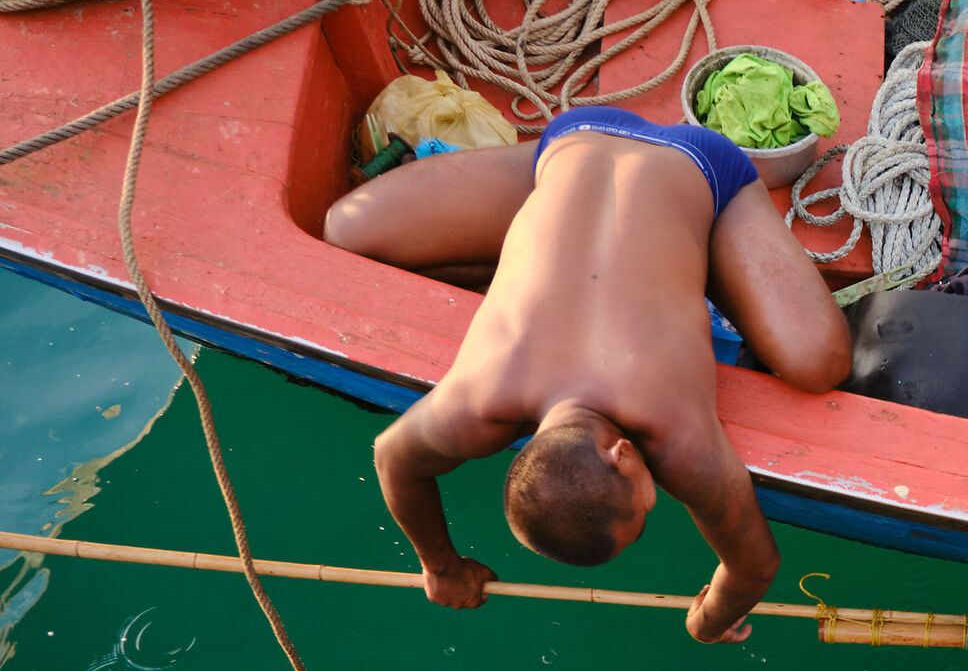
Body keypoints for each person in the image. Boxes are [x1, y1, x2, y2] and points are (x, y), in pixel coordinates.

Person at [322, 106, 851, 643]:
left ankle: (697, 235)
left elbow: (754, 567)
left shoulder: (673, 433)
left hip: (688, 162)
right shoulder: (475, 401)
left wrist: (707, 623)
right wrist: (439, 567)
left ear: (621, 454)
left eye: (646, 502)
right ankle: (669, 243)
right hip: (574, 147)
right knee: (343, 227)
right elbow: (392, 457)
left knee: (820, 363)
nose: (656, 492)